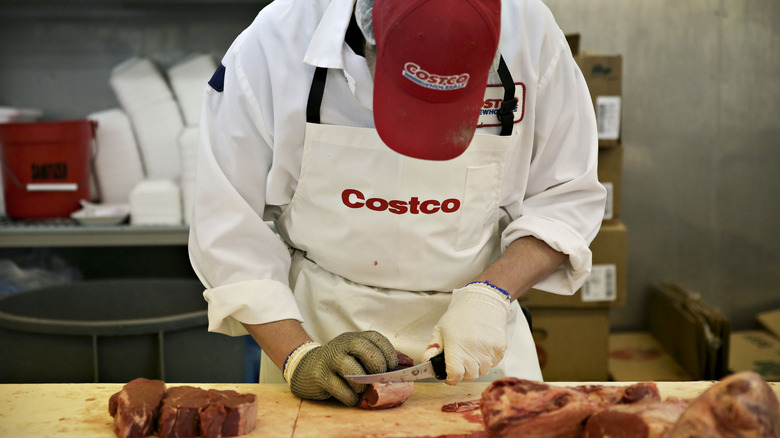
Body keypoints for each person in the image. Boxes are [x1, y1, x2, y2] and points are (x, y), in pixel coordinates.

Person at [188, 0, 607, 407]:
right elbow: (228, 226)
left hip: (476, 348)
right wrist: (299, 357)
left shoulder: (532, 33)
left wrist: (492, 295)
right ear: (370, 38)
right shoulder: (274, 42)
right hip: (322, 337)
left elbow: (565, 197)